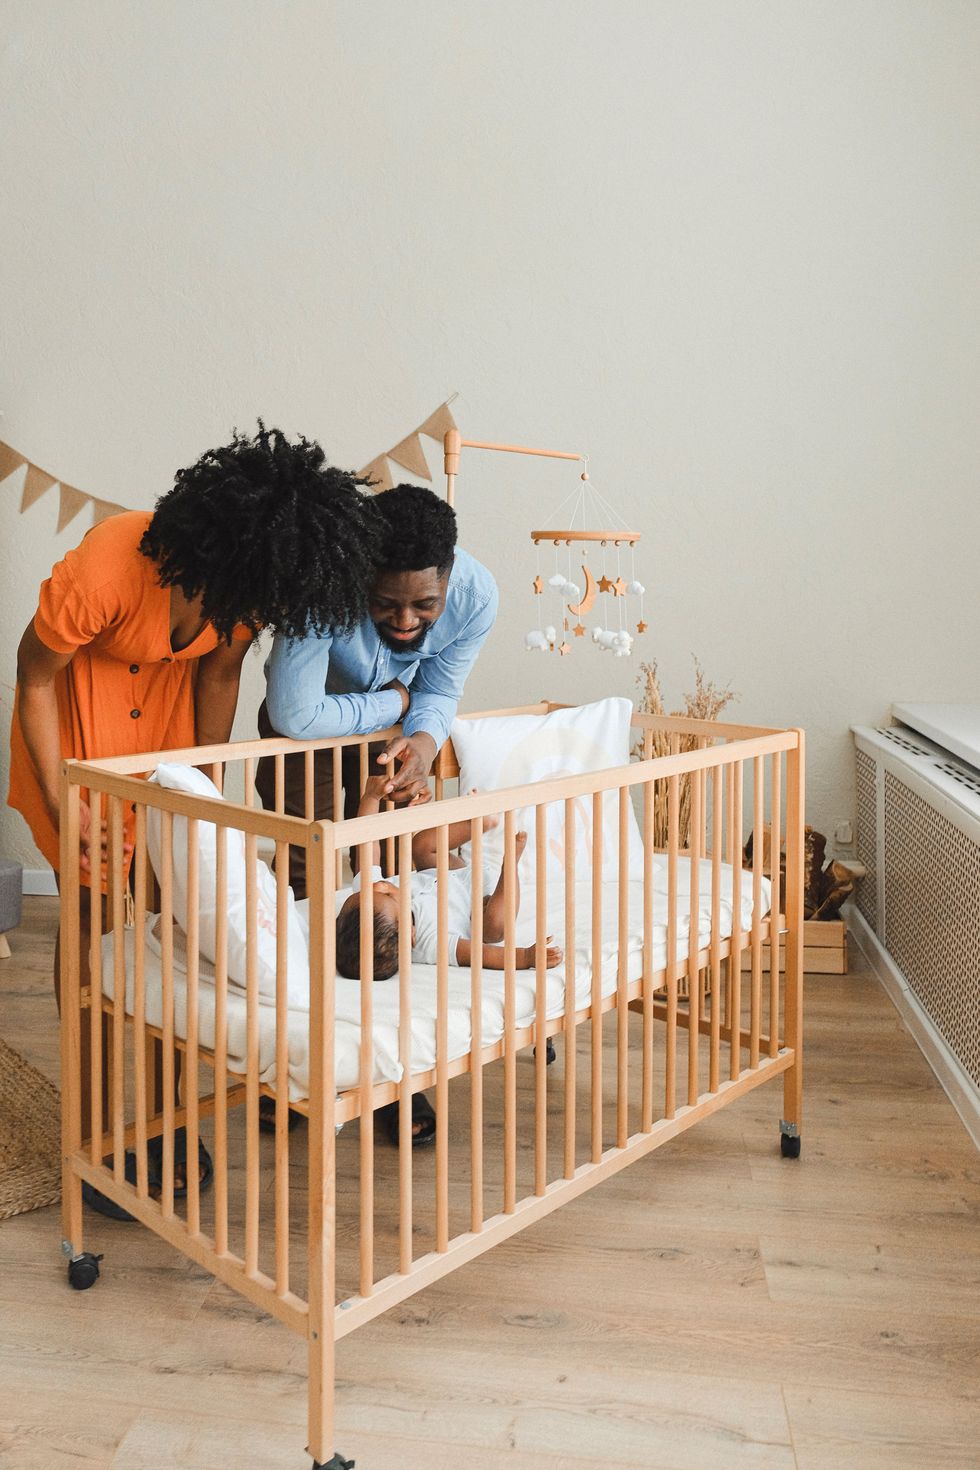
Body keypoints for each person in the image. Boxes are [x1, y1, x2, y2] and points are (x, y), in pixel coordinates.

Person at [9, 424, 383, 1215]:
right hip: (74, 740)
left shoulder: (245, 594)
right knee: (96, 922)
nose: (259, 615)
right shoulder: (107, 567)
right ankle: (95, 1126)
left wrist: (201, 800)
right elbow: (34, 678)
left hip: (164, 740)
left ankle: (165, 1116)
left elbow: (218, 672)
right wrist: (62, 797)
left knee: (172, 925)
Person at [256, 483, 499, 891]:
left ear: (449, 571)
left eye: (425, 604)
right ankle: (305, 949)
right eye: (384, 602)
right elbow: (295, 713)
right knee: (306, 860)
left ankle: (373, 949)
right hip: (303, 736)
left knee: (388, 859)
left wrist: (422, 743)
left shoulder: (474, 598)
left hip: (387, 737)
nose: (405, 620)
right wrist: (397, 701)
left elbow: (439, 690)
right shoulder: (318, 582)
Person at [333, 775, 563, 1145]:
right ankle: (511, 863)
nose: (379, 884)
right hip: (482, 895)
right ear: (407, 936)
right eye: (386, 893)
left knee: (423, 845)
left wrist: (370, 797)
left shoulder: (371, 902)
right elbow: (480, 953)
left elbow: (367, 844)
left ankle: (480, 820)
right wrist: (524, 957)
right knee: (494, 928)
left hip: (450, 873)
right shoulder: (429, 941)